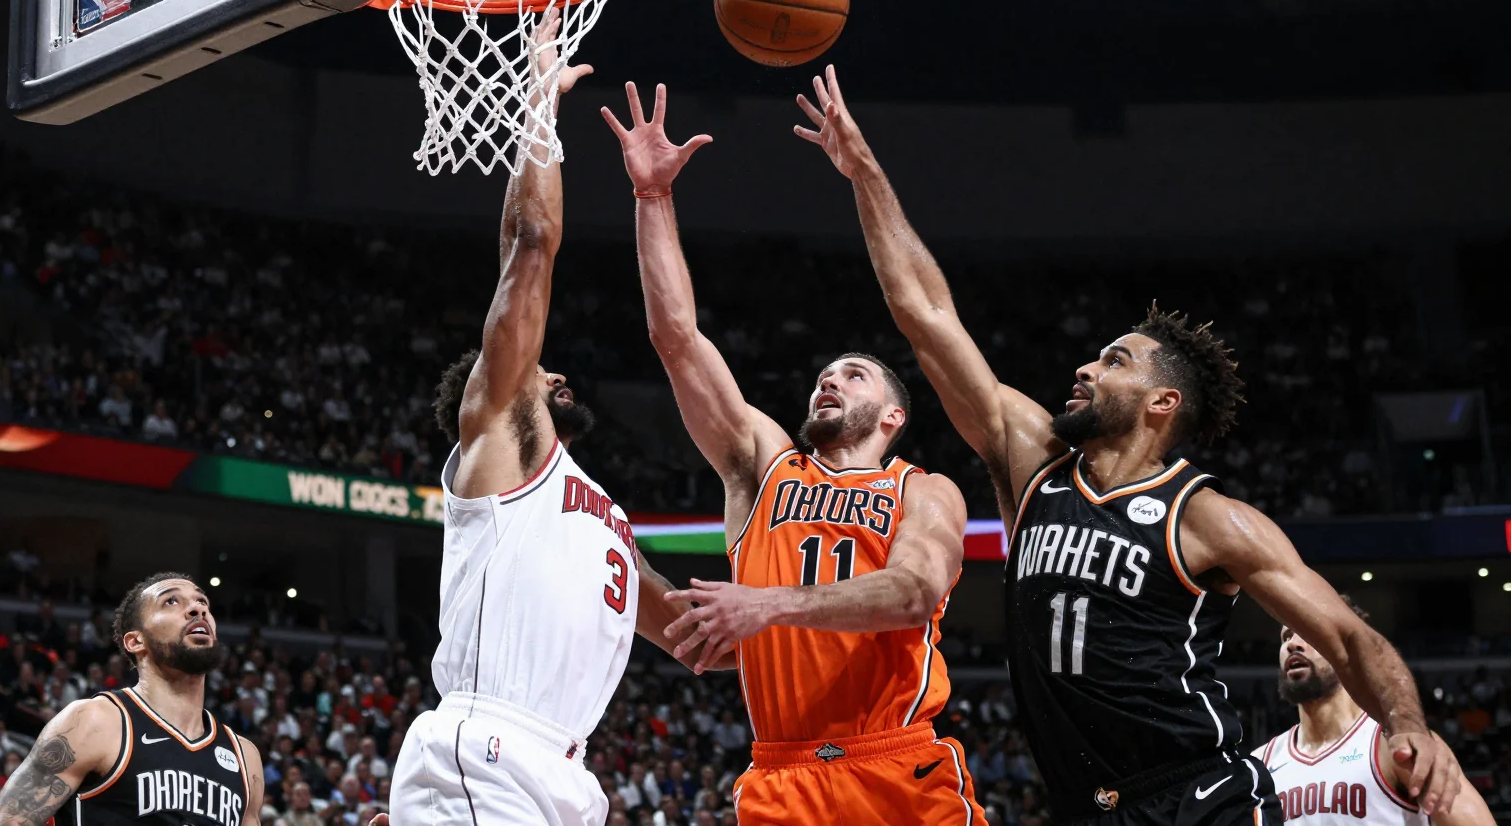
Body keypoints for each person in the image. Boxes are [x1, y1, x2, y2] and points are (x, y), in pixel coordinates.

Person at [790, 64, 1468, 824]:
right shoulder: (1034, 462)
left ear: (1161, 402)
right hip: (1087, 808)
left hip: (1199, 799)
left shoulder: (1207, 518)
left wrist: (1408, 725)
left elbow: (1346, 635)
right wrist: (865, 172)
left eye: (1114, 361)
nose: (1085, 367)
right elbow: (926, 312)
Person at [602, 81, 983, 826]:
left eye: (855, 374)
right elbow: (677, 340)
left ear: (894, 415)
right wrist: (652, 197)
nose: (830, 380)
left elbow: (913, 592)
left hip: (894, 765)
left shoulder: (923, 489)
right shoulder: (765, 466)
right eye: (825, 374)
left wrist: (767, 605)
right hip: (781, 777)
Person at [388, 13, 723, 826]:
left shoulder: (599, 510)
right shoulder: (502, 439)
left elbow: (691, 638)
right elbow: (530, 242)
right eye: (541, 368)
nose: (557, 370)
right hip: (488, 747)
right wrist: (540, 97)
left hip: (568, 773)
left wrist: (803, 614)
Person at [0, 573, 264, 826]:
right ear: (136, 641)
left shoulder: (245, 757)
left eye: (202, 602)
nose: (198, 609)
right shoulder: (93, 722)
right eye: (171, 602)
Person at [1254, 596, 1493, 826]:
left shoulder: (1395, 744)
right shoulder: (1260, 765)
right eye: (1286, 636)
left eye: (1309, 633)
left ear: (1348, 649)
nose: (1293, 644)